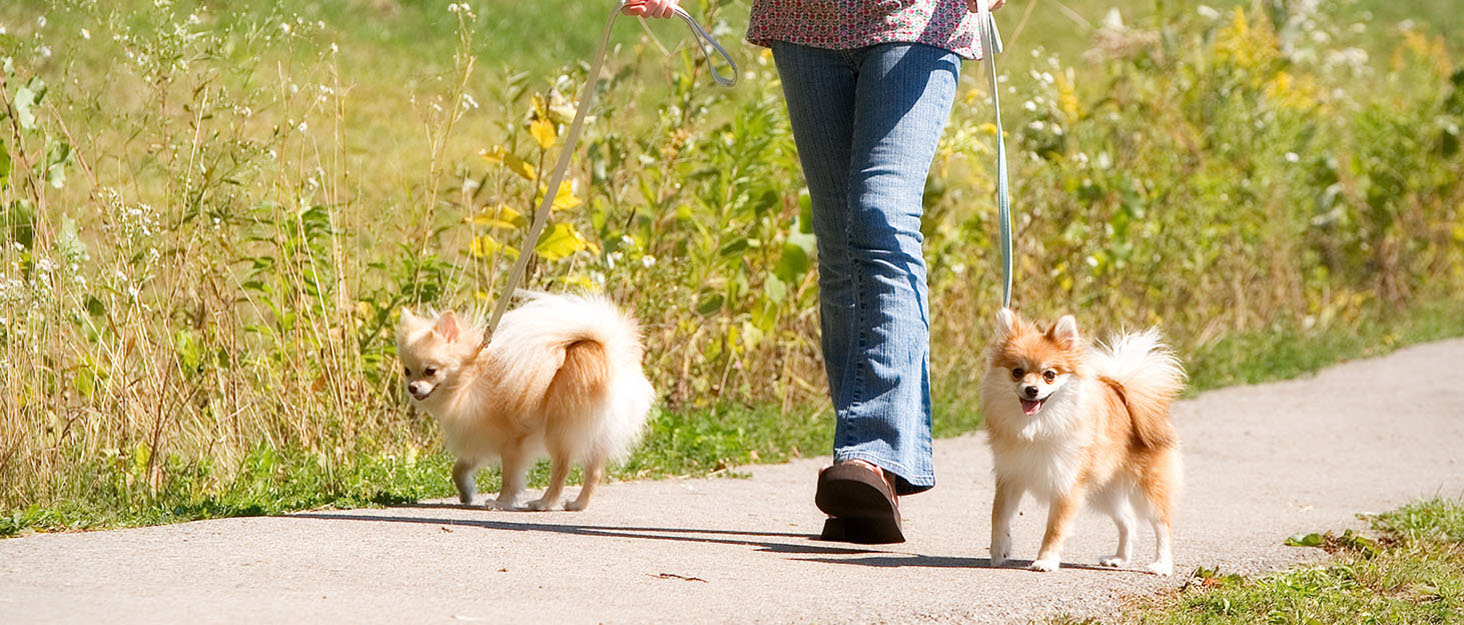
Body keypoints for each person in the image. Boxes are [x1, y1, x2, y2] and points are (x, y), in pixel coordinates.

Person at [629, 0, 1004, 544]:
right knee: (837, 239)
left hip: (915, 18)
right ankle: (866, 484)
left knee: (880, 215)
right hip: (803, 20)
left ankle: (872, 453)